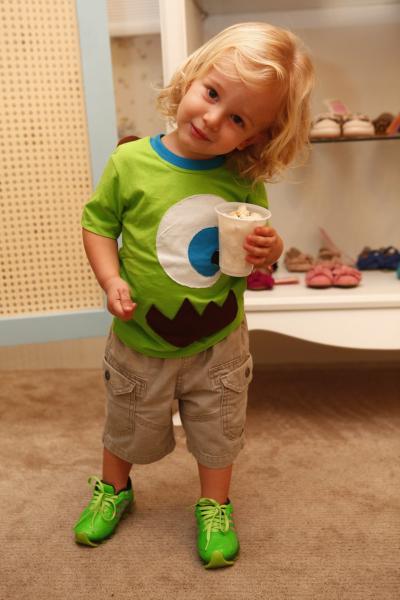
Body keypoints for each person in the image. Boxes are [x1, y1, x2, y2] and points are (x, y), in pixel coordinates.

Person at [74, 21, 314, 568]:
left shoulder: (242, 179)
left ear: (253, 138)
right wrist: (111, 280)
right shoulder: (131, 163)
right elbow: (97, 225)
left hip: (218, 343)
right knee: (126, 420)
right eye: (211, 94)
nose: (212, 118)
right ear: (190, 79)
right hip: (140, 335)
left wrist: (270, 248)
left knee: (218, 428)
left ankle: (215, 505)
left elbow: (253, 250)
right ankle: (114, 489)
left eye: (238, 119)